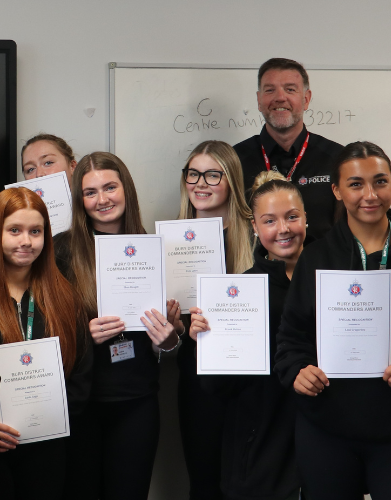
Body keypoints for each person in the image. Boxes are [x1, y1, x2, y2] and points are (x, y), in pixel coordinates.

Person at [272, 142, 391, 499]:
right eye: (356, 184)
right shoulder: (316, 258)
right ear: (337, 191)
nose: (370, 195)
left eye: (380, 181)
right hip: (326, 429)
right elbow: (291, 338)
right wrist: (298, 370)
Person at [54, 152, 181, 500]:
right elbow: (42, 330)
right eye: (90, 192)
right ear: (80, 200)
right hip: (81, 405)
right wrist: (84, 336)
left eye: (110, 187)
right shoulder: (61, 251)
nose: (102, 199)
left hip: (136, 401)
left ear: (126, 189)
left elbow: (168, 347)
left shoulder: (152, 248)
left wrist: (167, 340)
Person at [0, 187, 92, 500]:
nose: (26, 241)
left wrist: (53, 418)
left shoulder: (65, 295)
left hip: (47, 447)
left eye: (36, 231)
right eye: (14, 231)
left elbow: (82, 372)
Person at [189, 170, 305, 499]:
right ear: (254, 227)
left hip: (324, 444)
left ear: (305, 218)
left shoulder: (330, 279)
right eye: (269, 221)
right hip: (260, 449)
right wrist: (206, 345)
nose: (283, 229)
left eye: (292, 217)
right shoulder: (238, 292)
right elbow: (216, 387)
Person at [170, 140, 256, 499]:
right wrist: (176, 328)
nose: (200, 184)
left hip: (250, 379)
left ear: (231, 180)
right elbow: (169, 334)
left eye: (212, 175)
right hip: (198, 377)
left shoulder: (256, 235)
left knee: (250, 483)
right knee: (204, 482)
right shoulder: (170, 241)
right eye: (193, 174)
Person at [233, 58, 344, 240]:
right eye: (270, 90)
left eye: (290, 89)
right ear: (259, 100)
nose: (280, 97)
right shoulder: (234, 161)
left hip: (322, 259)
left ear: (306, 99)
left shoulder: (338, 159)